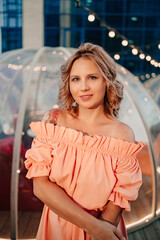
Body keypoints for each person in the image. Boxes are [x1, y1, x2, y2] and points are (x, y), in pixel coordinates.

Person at [25, 42, 144, 240]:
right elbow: (40, 186)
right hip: (57, 228)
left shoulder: (122, 134)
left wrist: (100, 232)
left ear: (106, 80)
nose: (84, 87)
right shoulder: (55, 121)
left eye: (92, 77)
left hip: (103, 230)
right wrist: (94, 227)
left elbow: (119, 199)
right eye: (76, 79)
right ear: (68, 84)